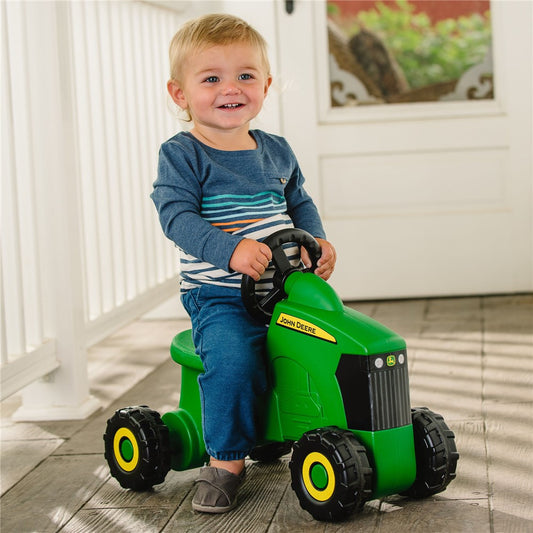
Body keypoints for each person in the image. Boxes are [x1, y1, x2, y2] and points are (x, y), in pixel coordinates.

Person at [151, 13, 336, 514]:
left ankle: (312, 427)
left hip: (286, 287)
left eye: (245, 75)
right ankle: (227, 460)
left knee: (325, 345)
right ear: (179, 93)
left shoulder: (276, 150)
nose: (230, 88)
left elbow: (299, 201)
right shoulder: (184, 154)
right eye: (211, 78)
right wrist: (231, 252)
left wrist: (317, 237)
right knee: (233, 362)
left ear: (266, 85)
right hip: (220, 295)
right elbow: (176, 218)